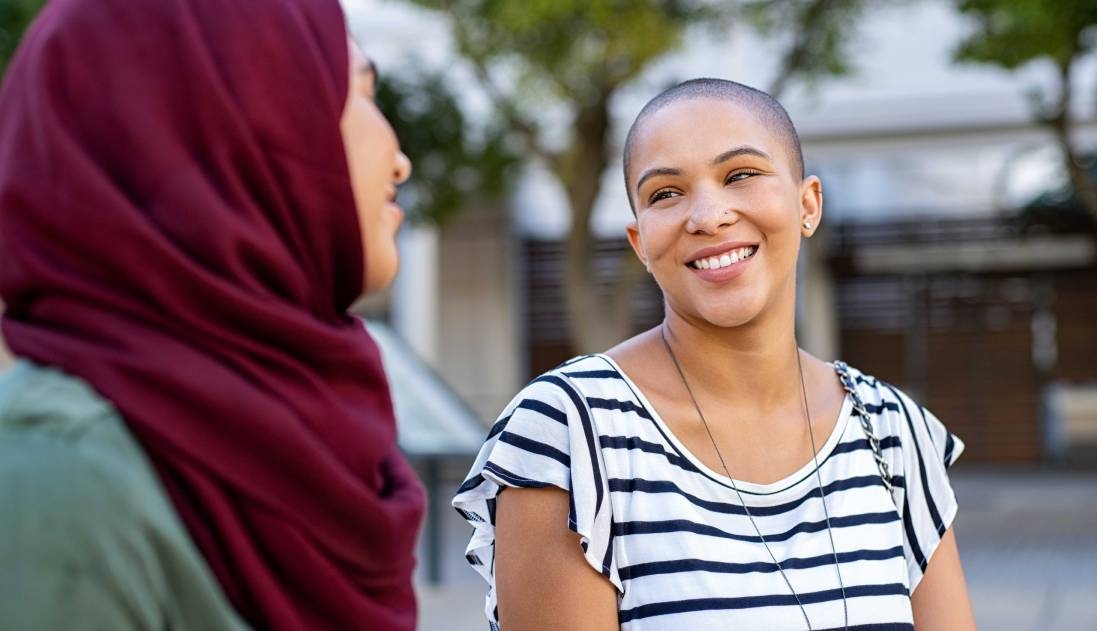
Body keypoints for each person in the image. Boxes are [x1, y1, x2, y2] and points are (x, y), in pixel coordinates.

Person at [453, 78, 976, 630]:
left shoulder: (893, 433)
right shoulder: (571, 433)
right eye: (665, 194)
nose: (707, 214)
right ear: (640, 243)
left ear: (808, 204)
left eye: (740, 175)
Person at [0, 0, 426, 629]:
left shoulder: (329, 434)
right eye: (360, 91)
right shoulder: (53, 478)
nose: (400, 161)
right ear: (246, 121)